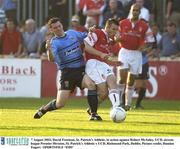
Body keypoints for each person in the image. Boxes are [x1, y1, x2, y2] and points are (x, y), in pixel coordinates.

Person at [33, 17, 108, 120]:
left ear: (62, 25)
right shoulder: (54, 43)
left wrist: (91, 32)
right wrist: (49, 50)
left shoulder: (73, 33)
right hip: (67, 73)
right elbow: (51, 59)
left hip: (80, 70)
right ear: (51, 30)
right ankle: (44, 109)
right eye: (55, 28)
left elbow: (88, 38)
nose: (58, 28)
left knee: (91, 85)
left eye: (59, 26)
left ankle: (93, 114)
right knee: (60, 103)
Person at [117, 3, 155, 111]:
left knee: (131, 80)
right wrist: (117, 39)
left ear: (140, 12)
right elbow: (116, 36)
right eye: (134, 10)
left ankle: (128, 104)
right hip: (124, 51)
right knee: (122, 76)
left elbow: (151, 41)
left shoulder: (144, 26)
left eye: (137, 10)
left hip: (136, 54)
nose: (135, 12)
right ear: (130, 11)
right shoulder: (122, 23)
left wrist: (145, 48)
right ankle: (119, 102)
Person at [84, 18, 122, 117]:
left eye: (116, 30)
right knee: (103, 92)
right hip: (92, 63)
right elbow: (85, 46)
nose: (115, 32)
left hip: (102, 64)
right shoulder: (97, 33)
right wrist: (100, 54)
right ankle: (93, 109)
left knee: (112, 80)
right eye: (113, 29)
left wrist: (114, 61)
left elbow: (106, 56)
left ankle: (116, 107)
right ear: (107, 27)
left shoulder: (109, 40)